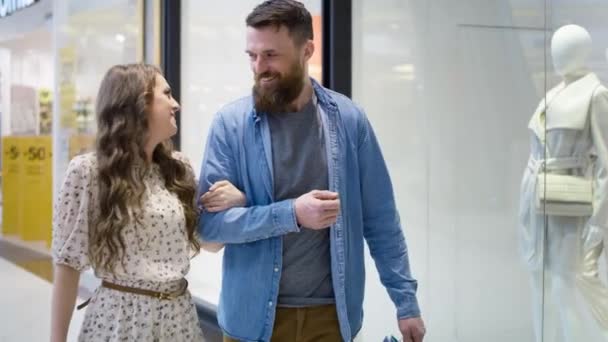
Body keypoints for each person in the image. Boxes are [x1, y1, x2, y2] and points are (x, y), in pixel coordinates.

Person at [198, 1, 426, 341]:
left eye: (271, 55)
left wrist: (405, 302)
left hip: (331, 319)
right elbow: (209, 227)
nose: (259, 67)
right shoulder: (230, 125)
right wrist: (292, 214)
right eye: (252, 55)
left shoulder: (349, 121)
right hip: (252, 321)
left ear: (307, 50)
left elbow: (381, 220)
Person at [50, 63, 245, 342]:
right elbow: (67, 265)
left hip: (179, 318)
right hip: (120, 321)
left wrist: (237, 202)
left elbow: (210, 242)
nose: (175, 104)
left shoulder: (179, 169)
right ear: (138, 104)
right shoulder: (88, 172)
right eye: (166, 94)